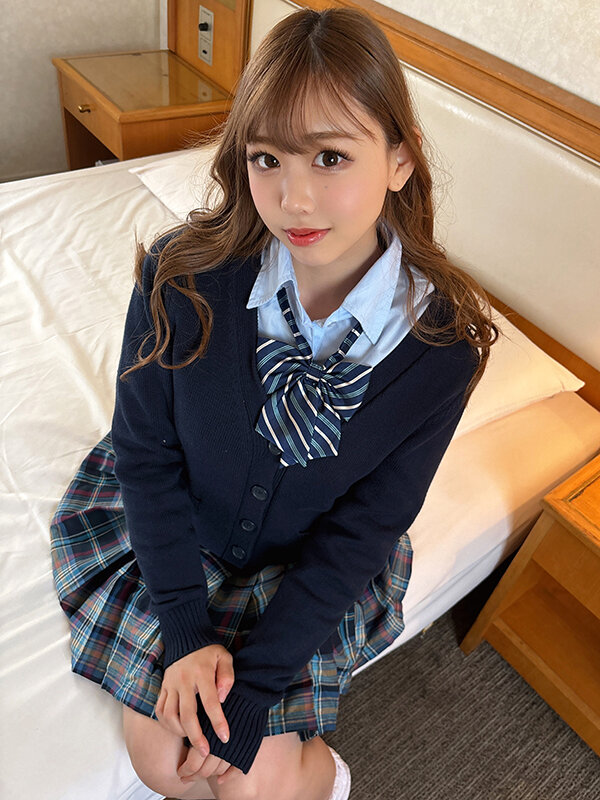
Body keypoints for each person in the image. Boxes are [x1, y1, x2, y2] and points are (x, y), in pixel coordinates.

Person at [50, 7, 498, 800]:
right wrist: (185, 633)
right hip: (181, 529)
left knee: (251, 778)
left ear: (399, 159)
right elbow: (145, 456)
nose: (293, 199)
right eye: (266, 158)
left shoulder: (441, 352)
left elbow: (363, 530)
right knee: (166, 764)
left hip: (306, 566)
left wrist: (256, 685)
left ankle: (327, 776)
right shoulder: (181, 276)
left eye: (330, 157)